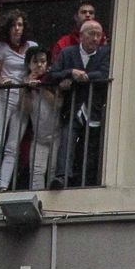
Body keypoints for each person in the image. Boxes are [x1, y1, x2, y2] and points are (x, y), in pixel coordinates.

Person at [47, 18, 110, 189]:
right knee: (67, 139)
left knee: (91, 147)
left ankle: (88, 181)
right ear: (81, 36)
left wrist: (83, 77)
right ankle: (62, 177)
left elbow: (104, 73)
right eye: (91, 34)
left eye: (98, 35)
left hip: (94, 107)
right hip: (73, 106)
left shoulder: (105, 53)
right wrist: (70, 72)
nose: (95, 38)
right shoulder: (67, 53)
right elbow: (53, 74)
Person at [0, 8, 35, 191]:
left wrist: (29, 81)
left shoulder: (32, 46)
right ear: (7, 28)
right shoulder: (0, 47)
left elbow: (36, 69)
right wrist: (4, 82)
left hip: (22, 96)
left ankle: (4, 184)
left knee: (13, 145)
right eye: (13, 25)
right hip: (4, 95)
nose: (17, 29)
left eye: (20, 25)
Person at [22, 46, 60, 191]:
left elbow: (58, 104)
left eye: (43, 61)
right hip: (39, 137)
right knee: (36, 171)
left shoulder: (53, 80)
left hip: (57, 134)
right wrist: (27, 89)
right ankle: (38, 198)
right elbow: (26, 109)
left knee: (53, 169)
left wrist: (41, 87)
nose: (39, 65)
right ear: (29, 64)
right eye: (35, 62)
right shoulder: (25, 83)